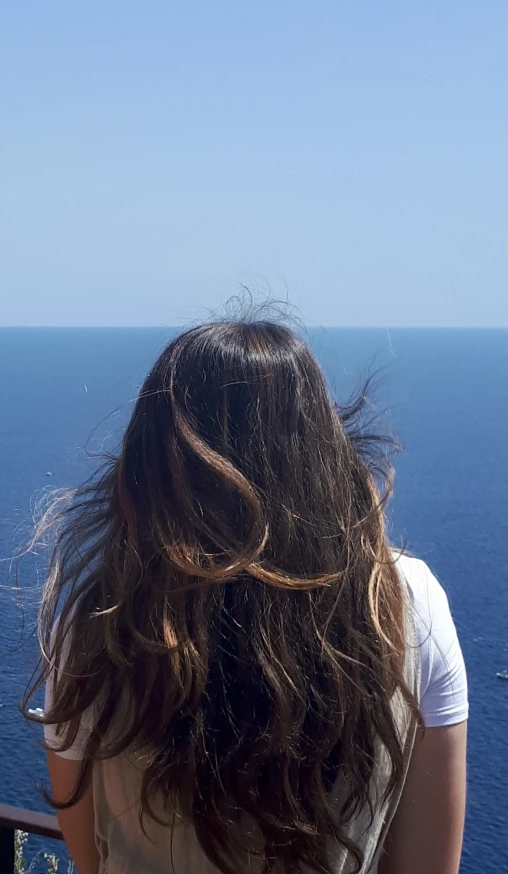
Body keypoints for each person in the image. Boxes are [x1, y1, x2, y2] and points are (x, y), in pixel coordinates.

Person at [29, 320, 468, 874]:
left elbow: (92, 853)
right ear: (322, 451)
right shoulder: (409, 603)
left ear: (148, 465)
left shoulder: (101, 619)